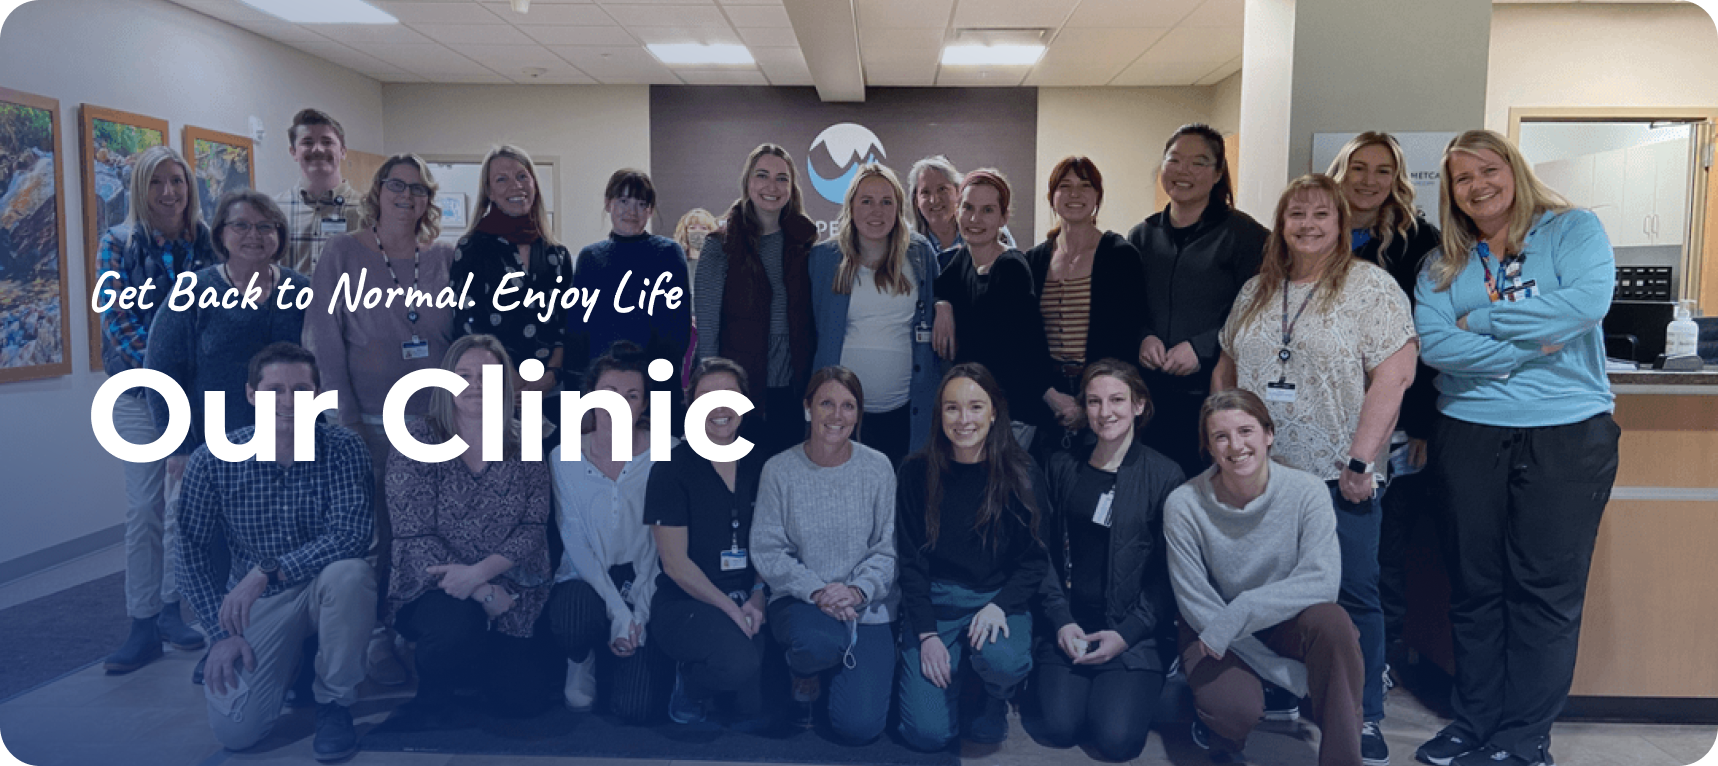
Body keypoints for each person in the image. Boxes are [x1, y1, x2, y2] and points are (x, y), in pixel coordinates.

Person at [1411, 130, 1619, 766]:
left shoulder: (1572, 231)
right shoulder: (1441, 262)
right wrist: (1533, 339)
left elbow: (1586, 304)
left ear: (1513, 169)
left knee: (1544, 590)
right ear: (1450, 192)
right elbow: (1434, 343)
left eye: (1489, 168)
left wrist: (1482, 322)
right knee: (1474, 587)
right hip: (1469, 429)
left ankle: (1523, 739)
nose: (1478, 185)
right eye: (1463, 178)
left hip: (1567, 430)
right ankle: (1473, 724)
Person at [1214, 174, 1418, 766]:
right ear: (1280, 223)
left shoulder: (1369, 288)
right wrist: (1227, 442)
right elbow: (1225, 368)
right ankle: (1285, 689)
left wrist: (1360, 458)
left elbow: (1395, 375)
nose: (1307, 224)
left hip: (1337, 477)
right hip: (1261, 481)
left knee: (1352, 595)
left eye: (1320, 215)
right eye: (1295, 214)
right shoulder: (1258, 289)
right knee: (1272, 593)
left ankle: (1364, 716)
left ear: (1341, 224)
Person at [176, 343, 375, 762]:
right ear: (251, 394)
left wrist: (268, 570)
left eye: (301, 390)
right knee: (237, 732)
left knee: (352, 574)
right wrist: (219, 637)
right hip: (257, 605)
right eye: (274, 391)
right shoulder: (212, 461)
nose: (288, 402)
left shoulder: (343, 449)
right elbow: (189, 556)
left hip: (325, 589)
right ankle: (294, 664)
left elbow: (350, 536)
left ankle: (335, 703)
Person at [307, 153, 457, 686]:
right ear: (378, 192)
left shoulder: (442, 258)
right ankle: (370, 641)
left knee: (422, 536)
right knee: (373, 537)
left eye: (418, 189)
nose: (407, 196)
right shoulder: (342, 253)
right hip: (365, 424)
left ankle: (411, 632)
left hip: (432, 425)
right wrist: (343, 418)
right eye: (397, 185)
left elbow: (457, 342)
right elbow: (324, 341)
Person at [1164, 389, 1364, 766]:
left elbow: (1323, 582)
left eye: (1245, 431)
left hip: (1278, 618)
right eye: (1220, 436)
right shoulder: (1183, 504)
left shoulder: (1308, 492)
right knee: (1233, 708)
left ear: (1268, 435)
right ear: (1207, 446)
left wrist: (1245, 607)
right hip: (1211, 622)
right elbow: (1193, 601)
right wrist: (1284, 673)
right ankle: (1222, 740)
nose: (1235, 445)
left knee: (1335, 625)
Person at [383, 334, 557, 729]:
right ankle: (435, 686)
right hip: (432, 584)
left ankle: (480, 662)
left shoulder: (525, 437)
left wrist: (484, 576)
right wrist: (477, 588)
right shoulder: (418, 435)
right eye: (464, 375)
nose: (475, 385)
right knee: (454, 628)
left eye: (487, 376)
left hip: (510, 583)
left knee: (524, 700)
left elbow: (534, 524)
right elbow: (413, 532)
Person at [1325, 131, 1444, 665]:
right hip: (1327, 412)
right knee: (1325, 543)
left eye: (1382, 171)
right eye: (1359, 168)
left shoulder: (1419, 241)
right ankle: (1325, 653)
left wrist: (1421, 424)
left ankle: (1377, 661)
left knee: (1380, 549)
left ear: (1397, 179)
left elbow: (1425, 340)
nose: (1369, 181)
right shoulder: (1314, 231)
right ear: (1340, 171)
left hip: (1394, 421)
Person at [97, 144, 216, 673]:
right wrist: (162, 379)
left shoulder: (207, 244)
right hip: (138, 396)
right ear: (140, 191)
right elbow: (120, 323)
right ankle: (141, 622)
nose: (169, 192)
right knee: (143, 508)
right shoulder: (117, 244)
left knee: (181, 508)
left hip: (195, 397)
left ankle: (172, 609)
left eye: (178, 181)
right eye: (157, 182)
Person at [1034, 359, 1185, 762]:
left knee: (1116, 740)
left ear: (1138, 405)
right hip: (1069, 625)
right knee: (1058, 727)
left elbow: (1168, 574)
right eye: (1095, 402)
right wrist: (1060, 620)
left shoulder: (1165, 475)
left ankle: (1128, 681)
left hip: (1130, 632)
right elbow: (1041, 554)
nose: (1106, 412)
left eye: (1117, 400)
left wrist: (1128, 633)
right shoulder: (1062, 466)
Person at [896, 364, 1048, 751]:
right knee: (926, 735)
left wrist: (1001, 605)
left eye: (975, 407)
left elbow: (1033, 562)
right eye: (952, 408)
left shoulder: (1022, 472)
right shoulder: (915, 473)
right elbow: (911, 563)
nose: (964, 420)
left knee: (1004, 662)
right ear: (939, 414)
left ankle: (992, 695)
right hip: (936, 604)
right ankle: (952, 669)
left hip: (995, 602)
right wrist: (927, 634)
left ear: (994, 412)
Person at [750, 366, 898, 742]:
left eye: (848, 406)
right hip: (801, 602)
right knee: (817, 643)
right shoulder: (779, 470)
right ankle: (806, 669)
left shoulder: (878, 468)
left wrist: (856, 591)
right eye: (826, 403)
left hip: (865, 606)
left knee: (859, 728)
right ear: (807, 408)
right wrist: (818, 591)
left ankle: (838, 672)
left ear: (858, 415)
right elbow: (768, 551)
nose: (837, 416)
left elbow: (888, 549)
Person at [1127, 124, 1268, 479]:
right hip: (1150, 396)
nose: (1184, 171)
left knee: (1206, 494)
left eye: (1199, 162)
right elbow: (1130, 307)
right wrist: (1144, 335)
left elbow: (1257, 312)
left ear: (1219, 173)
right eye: (1175, 160)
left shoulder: (1246, 236)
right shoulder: (1142, 236)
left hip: (1212, 393)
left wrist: (1203, 347)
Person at [644, 357, 772, 730]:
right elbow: (675, 565)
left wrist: (758, 595)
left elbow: (773, 541)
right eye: (707, 397)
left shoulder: (761, 465)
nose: (720, 407)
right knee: (738, 665)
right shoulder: (670, 468)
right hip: (687, 601)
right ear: (690, 404)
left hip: (748, 596)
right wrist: (731, 612)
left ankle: (725, 668)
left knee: (753, 706)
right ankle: (690, 684)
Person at [147, 190, 309, 480]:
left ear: (279, 234)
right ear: (221, 233)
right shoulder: (193, 291)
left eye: (265, 226)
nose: (254, 235)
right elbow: (161, 372)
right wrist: (178, 446)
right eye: (241, 225)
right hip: (214, 450)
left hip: (295, 447)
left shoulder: (303, 291)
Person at [547, 341, 665, 724]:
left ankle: (625, 648)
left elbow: (656, 545)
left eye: (631, 396)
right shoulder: (563, 457)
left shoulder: (666, 452)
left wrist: (637, 616)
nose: (619, 405)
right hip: (585, 581)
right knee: (575, 613)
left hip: (643, 585)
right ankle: (581, 659)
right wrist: (617, 611)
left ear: (644, 405)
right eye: (609, 394)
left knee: (635, 707)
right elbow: (575, 539)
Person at [808, 163, 940, 465]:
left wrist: (942, 305)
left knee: (899, 499)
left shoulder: (919, 253)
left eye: (886, 202)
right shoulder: (824, 258)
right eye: (866, 201)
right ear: (851, 206)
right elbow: (812, 327)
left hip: (906, 412)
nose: (876, 211)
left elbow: (937, 300)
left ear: (899, 208)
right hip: (840, 416)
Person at [693, 144, 819, 460]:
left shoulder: (805, 244)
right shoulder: (720, 246)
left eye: (781, 179)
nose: (771, 187)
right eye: (762, 176)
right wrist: (712, 395)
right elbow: (707, 332)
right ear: (748, 182)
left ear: (791, 188)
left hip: (792, 393)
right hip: (740, 390)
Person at [1022, 157, 1149, 453]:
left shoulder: (1120, 255)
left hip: (1105, 395)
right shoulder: (1034, 260)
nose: (1074, 194)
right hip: (1047, 394)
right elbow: (1025, 338)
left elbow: (1127, 336)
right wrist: (1051, 395)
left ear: (1097, 198)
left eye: (1084, 186)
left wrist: (1090, 401)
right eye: (1064, 186)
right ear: (1052, 198)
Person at [932, 168, 1062, 447]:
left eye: (988, 210)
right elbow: (939, 287)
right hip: (976, 410)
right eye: (968, 208)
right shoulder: (963, 258)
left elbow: (1027, 345)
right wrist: (943, 306)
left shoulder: (1011, 266)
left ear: (1004, 218)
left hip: (1010, 413)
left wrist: (1050, 393)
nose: (975, 219)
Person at [452, 144, 570, 391]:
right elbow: (467, 325)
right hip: (493, 387)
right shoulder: (472, 248)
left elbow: (565, 323)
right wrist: (508, 376)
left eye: (521, 177)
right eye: (501, 179)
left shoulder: (556, 254)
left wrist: (551, 374)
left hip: (550, 388)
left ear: (534, 184)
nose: (515, 186)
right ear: (489, 192)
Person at [564, 169, 691, 392]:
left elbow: (676, 333)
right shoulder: (590, 258)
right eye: (623, 200)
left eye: (641, 204)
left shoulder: (669, 253)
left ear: (650, 210)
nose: (631, 211)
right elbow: (577, 333)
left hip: (655, 385)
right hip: (601, 384)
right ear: (608, 203)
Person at [275, 108, 362, 275]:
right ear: (293, 152)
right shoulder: (274, 210)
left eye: (327, 142)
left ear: (343, 151)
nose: (318, 149)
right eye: (307, 142)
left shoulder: (369, 209)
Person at [906, 155, 1013, 270]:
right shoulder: (906, 246)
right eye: (925, 192)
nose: (934, 200)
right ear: (916, 201)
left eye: (942, 189)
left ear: (958, 192)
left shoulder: (994, 232)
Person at [673, 207, 718, 303]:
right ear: (685, 232)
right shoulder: (676, 263)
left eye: (703, 228)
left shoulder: (718, 264)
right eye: (692, 228)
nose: (698, 232)